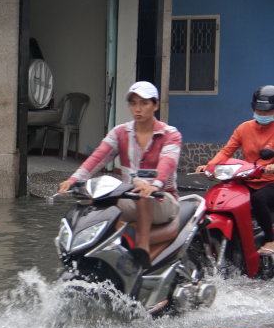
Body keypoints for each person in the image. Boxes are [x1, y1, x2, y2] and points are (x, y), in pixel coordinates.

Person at [58, 81, 182, 269]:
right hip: (130, 198)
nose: (137, 109)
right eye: (133, 103)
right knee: (96, 201)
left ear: (155, 105)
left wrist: (155, 184)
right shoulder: (120, 132)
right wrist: (74, 180)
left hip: (162, 200)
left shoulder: (170, 134)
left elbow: (168, 162)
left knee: (143, 193)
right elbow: (97, 157)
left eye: (144, 103)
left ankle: (143, 247)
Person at [196, 85, 274, 254]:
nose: (262, 114)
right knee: (223, 195)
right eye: (259, 110)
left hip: (270, 182)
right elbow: (226, 151)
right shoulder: (244, 128)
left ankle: (270, 239)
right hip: (248, 178)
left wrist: (271, 168)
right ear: (253, 108)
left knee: (259, 199)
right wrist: (209, 165)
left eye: (267, 112)